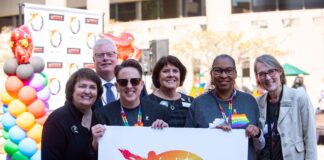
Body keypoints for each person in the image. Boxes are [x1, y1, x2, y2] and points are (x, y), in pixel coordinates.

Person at [185, 54, 264, 160]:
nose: (223, 75)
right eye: (218, 70)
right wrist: (212, 134)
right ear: (211, 74)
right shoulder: (198, 103)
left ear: (235, 74)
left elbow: (260, 146)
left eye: (228, 70)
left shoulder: (249, 101)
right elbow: (188, 143)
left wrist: (257, 133)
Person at [91, 59, 169, 151]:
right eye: (123, 82)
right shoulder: (101, 115)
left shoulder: (159, 112)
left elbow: (167, 149)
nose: (129, 86)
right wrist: (95, 142)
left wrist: (166, 133)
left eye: (134, 81)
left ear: (141, 84)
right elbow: (95, 154)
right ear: (117, 87)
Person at [254, 54, 317, 160]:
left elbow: (310, 139)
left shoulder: (299, 97)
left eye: (271, 71)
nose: (267, 77)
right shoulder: (256, 103)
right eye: (262, 74)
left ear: (280, 71)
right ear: (258, 77)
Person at [42, 68, 103, 160]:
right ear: (72, 90)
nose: (87, 91)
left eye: (92, 87)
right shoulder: (57, 119)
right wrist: (92, 147)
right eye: (82, 86)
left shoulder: (101, 117)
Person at [92, 38, 147, 109]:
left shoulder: (135, 83)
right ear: (93, 59)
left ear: (117, 57)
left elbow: (146, 108)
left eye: (110, 54)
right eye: (100, 55)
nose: (105, 58)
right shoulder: (88, 86)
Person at [145, 55, 193, 127]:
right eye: (165, 71)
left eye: (175, 71)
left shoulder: (191, 102)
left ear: (180, 75)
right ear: (158, 76)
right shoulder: (146, 102)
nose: (171, 75)